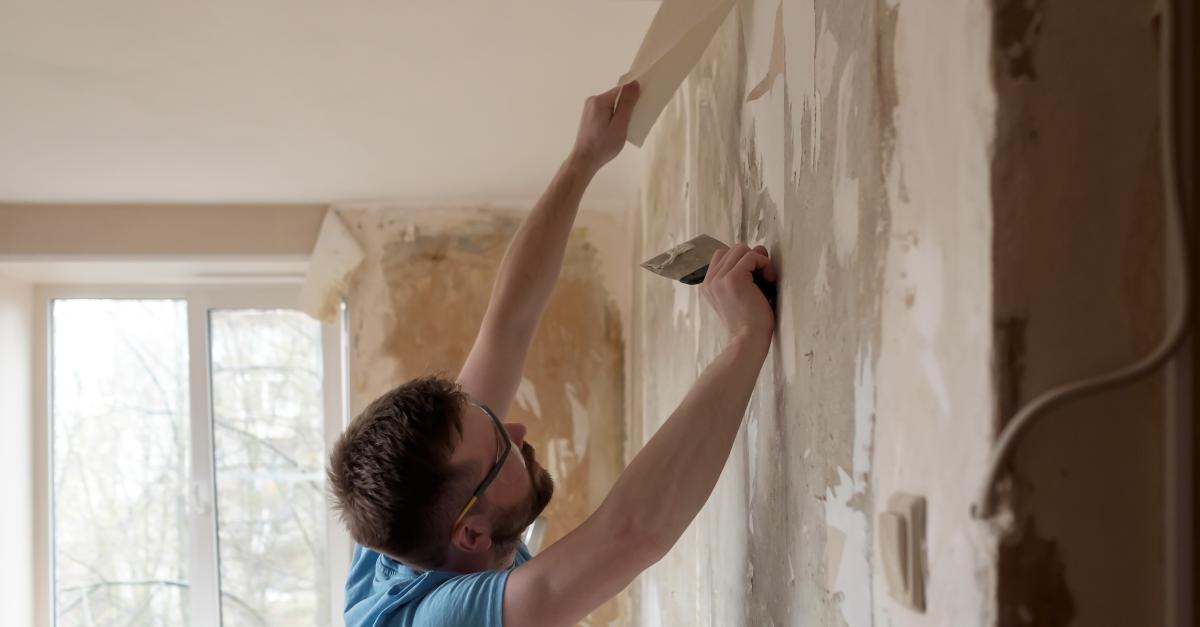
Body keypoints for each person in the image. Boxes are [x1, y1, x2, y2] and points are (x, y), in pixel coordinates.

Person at [328, 81, 777, 627]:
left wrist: (584, 159)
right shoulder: (439, 620)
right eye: (501, 448)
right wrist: (746, 341)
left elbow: (507, 326)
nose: (516, 430)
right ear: (469, 533)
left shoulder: (405, 518)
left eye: (491, 421)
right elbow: (630, 534)